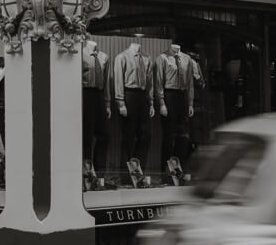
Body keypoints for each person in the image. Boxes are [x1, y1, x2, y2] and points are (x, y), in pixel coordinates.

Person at [113, 41, 154, 184]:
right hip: (128, 95)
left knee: (146, 135)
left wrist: (151, 103)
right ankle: (125, 176)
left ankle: (137, 170)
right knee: (128, 136)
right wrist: (120, 102)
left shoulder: (147, 58)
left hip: (142, 97)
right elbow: (118, 80)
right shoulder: (122, 57)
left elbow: (150, 82)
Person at [155, 44, 194, 182]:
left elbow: (190, 83)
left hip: (182, 96)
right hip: (169, 95)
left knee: (183, 136)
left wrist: (190, 103)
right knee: (168, 135)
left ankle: (179, 170)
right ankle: (164, 173)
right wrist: (161, 103)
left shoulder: (187, 59)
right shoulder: (162, 58)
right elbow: (158, 81)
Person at [82, 37, 111, 182]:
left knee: (104, 135)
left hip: (99, 95)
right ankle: (86, 174)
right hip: (85, 94)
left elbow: (106, 83)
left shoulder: (104, 57)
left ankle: (100, 175)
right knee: (86, 136)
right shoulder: (80, 54)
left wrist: (107, 104)